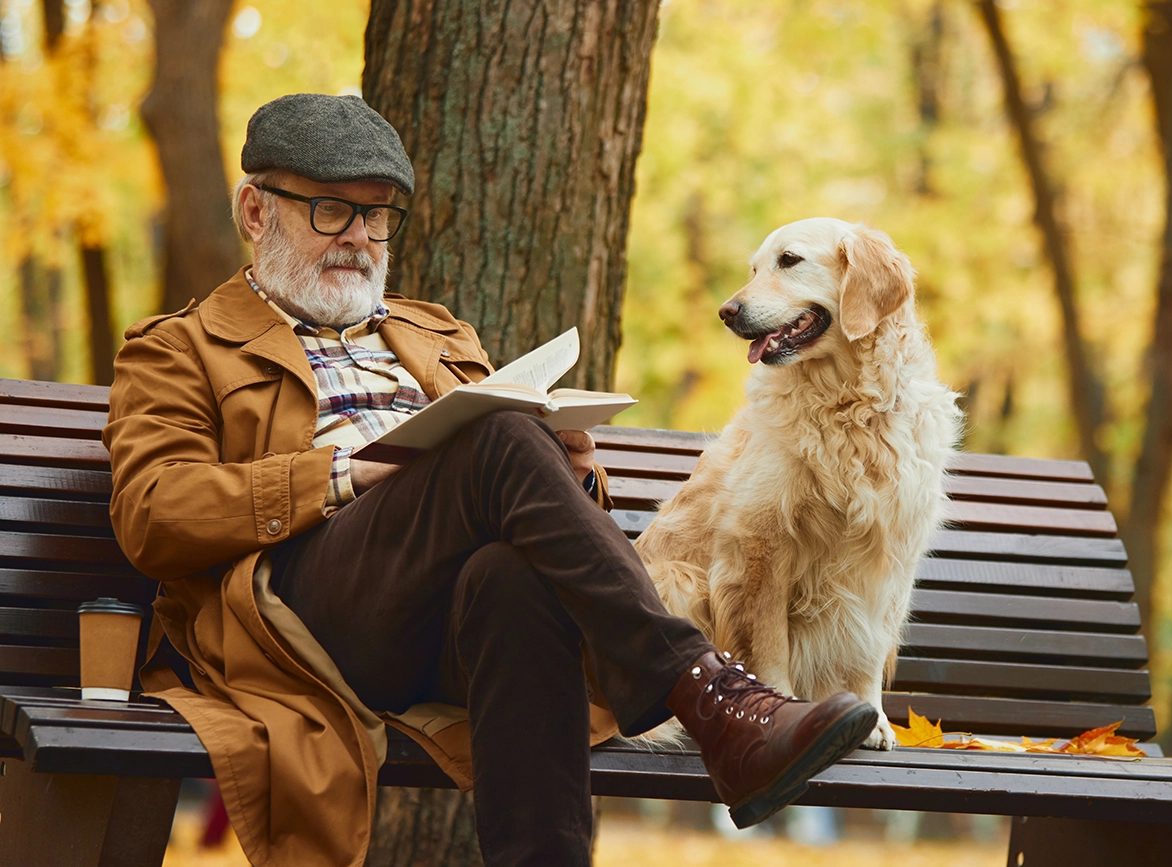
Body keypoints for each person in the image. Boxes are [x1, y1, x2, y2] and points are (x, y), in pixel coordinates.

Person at [105, 93, 879, 867]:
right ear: (254, 211)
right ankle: (717, 703)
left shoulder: (437, 334)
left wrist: (573, 471)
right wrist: (348, 471)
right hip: (309, 609)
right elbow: (151, 513)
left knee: (513, 576)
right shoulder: (180, 349)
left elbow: (521, 495)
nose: (359, 240)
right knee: (495, 431)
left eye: (377, 218)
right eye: (332, 210)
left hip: (447, 620)